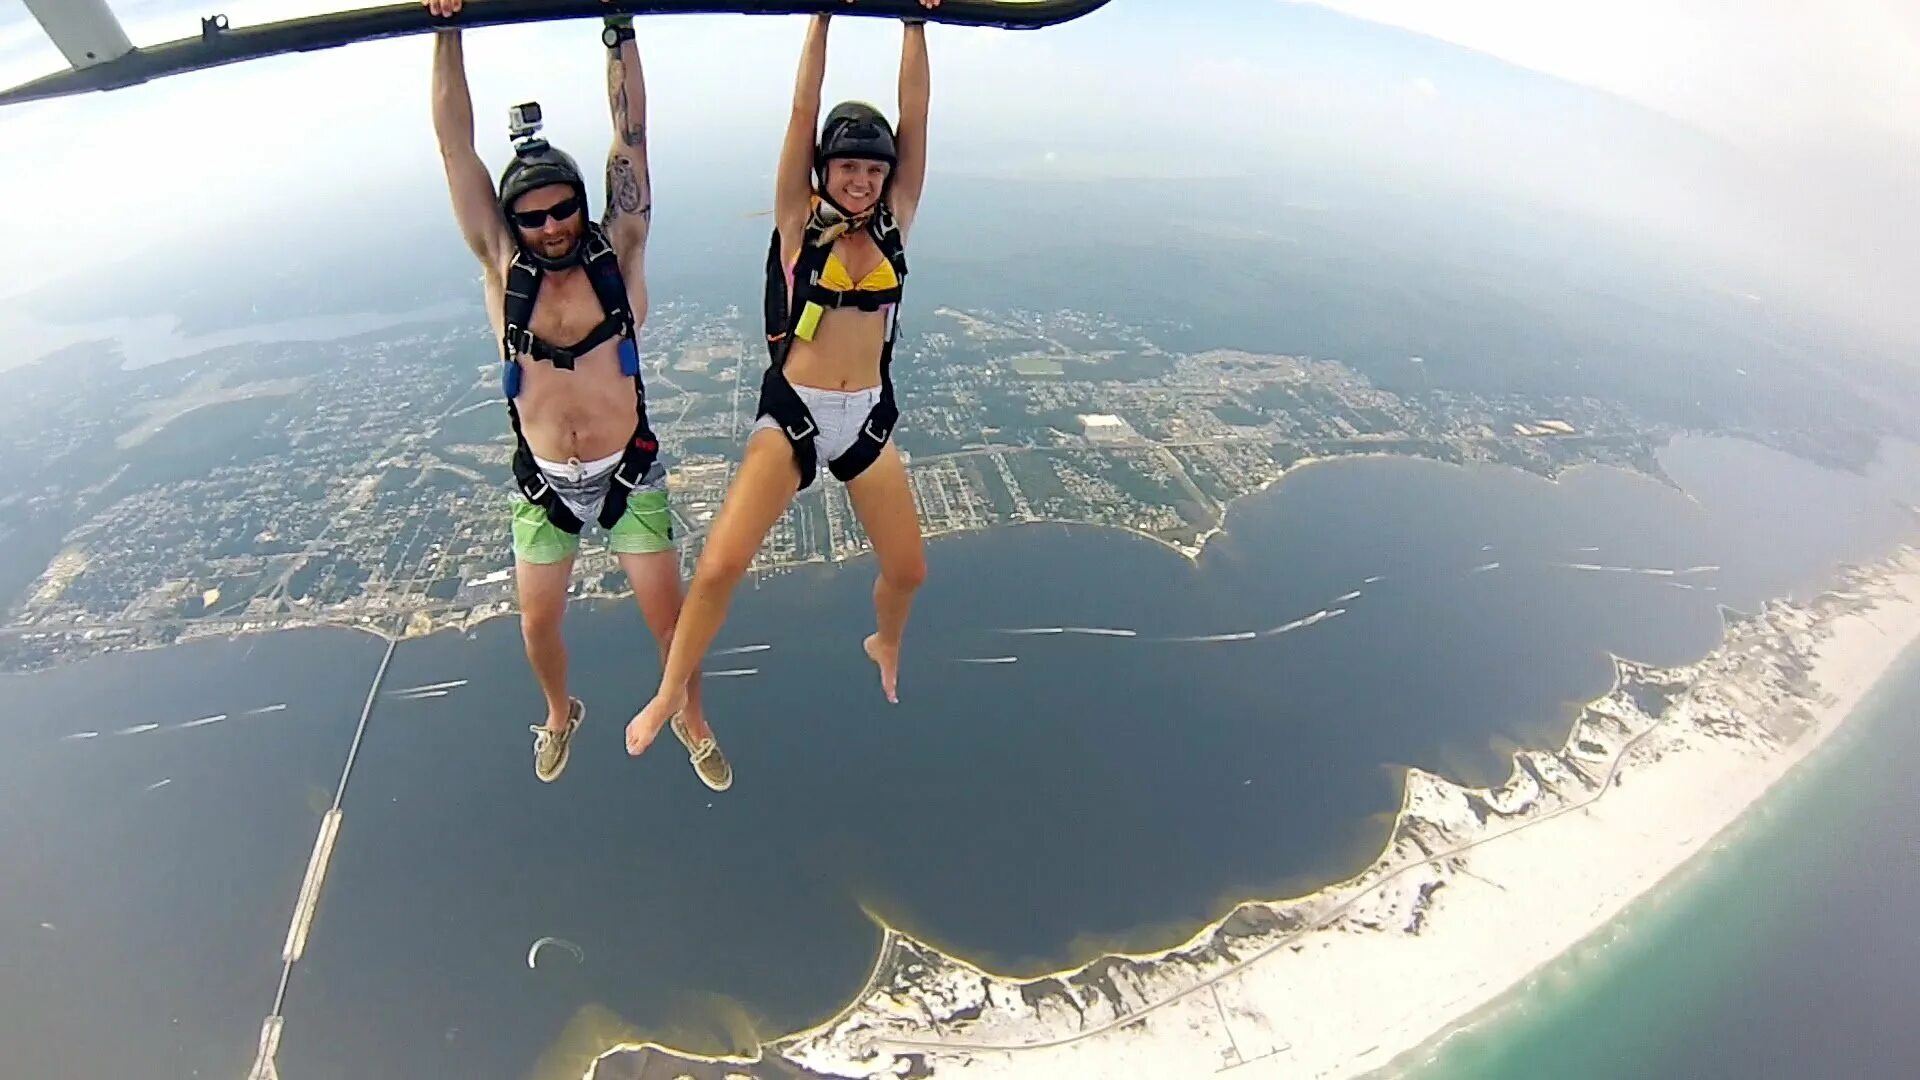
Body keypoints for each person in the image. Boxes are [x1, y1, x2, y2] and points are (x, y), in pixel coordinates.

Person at [426, 0, 727, 791]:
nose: (553, 226)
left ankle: (691, 720)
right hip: (546, 481)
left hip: (629, 474)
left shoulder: (617, 254)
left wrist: (618, 29)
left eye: (564, 209)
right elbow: (454, 149)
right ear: (511, 222)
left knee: (672, 624)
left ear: (580, 204)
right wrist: (445, 30)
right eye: (533, 217)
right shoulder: (503, 269)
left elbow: (632, 137)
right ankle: (560, 714)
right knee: (538, 626)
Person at [625, 4, 937, 760]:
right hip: (796, 411)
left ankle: (883, 643)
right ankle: (671, 689)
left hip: (864, 415)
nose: (863, 181)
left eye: (873, 169)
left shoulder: (895, 219)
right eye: (848, 168)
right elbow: (802, 112)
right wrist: (820, 21)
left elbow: (916, 115)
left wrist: (915, 26)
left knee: (908, 571)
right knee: (724, 564)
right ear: (823, 172)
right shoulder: (800, 223)